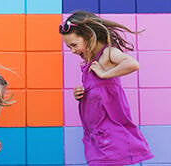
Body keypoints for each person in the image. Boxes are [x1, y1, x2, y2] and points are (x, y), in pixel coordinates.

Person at [59, 11, 154, 165]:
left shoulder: (107, 54)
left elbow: (132, 64)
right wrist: (81, 93)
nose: (72, 50)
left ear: (90, 37)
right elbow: (96, 90)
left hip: (109, 131)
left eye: (74, 45)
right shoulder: (91, 61)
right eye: (69, 46)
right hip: (95, 132)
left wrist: (105, 74)